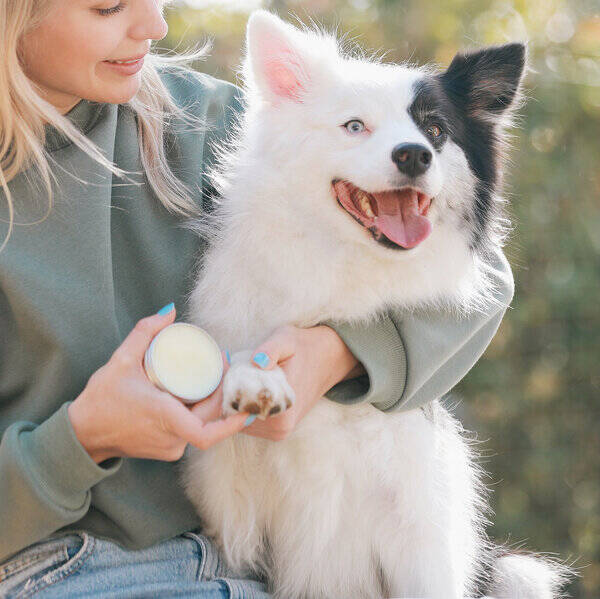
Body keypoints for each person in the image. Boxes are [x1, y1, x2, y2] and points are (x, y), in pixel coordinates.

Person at [0, 1, 515, 597]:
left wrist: (340, 353)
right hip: (58, 568)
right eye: (108, 5)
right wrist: (81, 440)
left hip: (250, 563)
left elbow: (476, 269)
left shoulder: (199, 117)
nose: (155, 27)